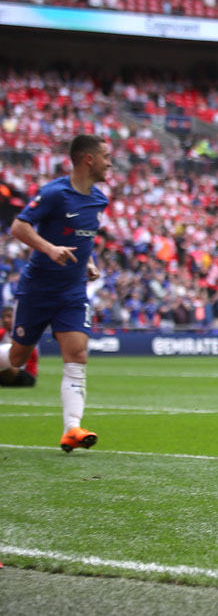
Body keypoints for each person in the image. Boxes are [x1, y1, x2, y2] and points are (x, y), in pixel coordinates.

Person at [0, 134, 110, 451]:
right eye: (105, 156)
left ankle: (71, 429)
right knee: (17, 358)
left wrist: (87, 262)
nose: (110, 162)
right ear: (88, 159)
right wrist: (50, 249)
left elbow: (81, 238)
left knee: (77, 354)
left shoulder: (99, 199)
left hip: (72, 293)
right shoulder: (55, 193)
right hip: (38, 290)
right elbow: (19, 227)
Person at [0, 305, 38, 386]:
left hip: (25, 375)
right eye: (3, 317)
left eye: (9, 317)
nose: (6, 320)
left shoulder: (22, 334)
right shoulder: (1, 334)